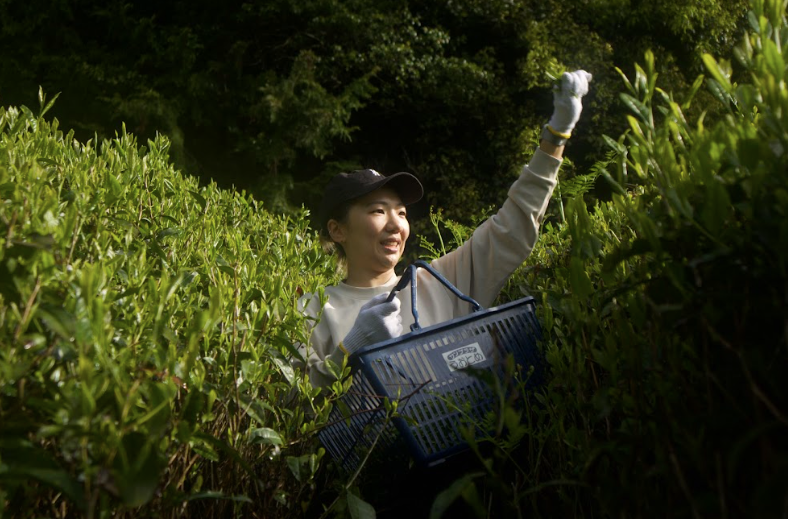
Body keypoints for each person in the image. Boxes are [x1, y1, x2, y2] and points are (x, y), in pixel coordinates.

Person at [296, 70, 592, 388]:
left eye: (402, 212)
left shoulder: (439, 283)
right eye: (378, 211)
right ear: (337, 230)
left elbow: (512, 229)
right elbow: (291, 408)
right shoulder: (312, 310)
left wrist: (557, 134)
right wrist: (349, 351)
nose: (396, 224)